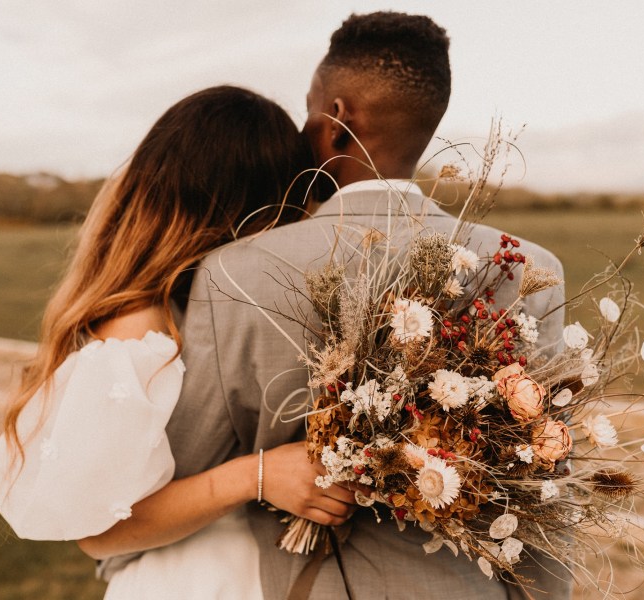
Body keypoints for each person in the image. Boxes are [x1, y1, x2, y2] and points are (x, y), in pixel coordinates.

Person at [160, 11, 572, 600]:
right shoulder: (527, 270)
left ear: (335, 120)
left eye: (309, 110)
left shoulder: (234, 271)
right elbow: (548, 477)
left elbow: (187, 469)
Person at [0, 85, 361, 599]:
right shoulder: (142, 328)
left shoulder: (207, 308)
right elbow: (99, 534)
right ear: (255, 206)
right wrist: (257, 474)